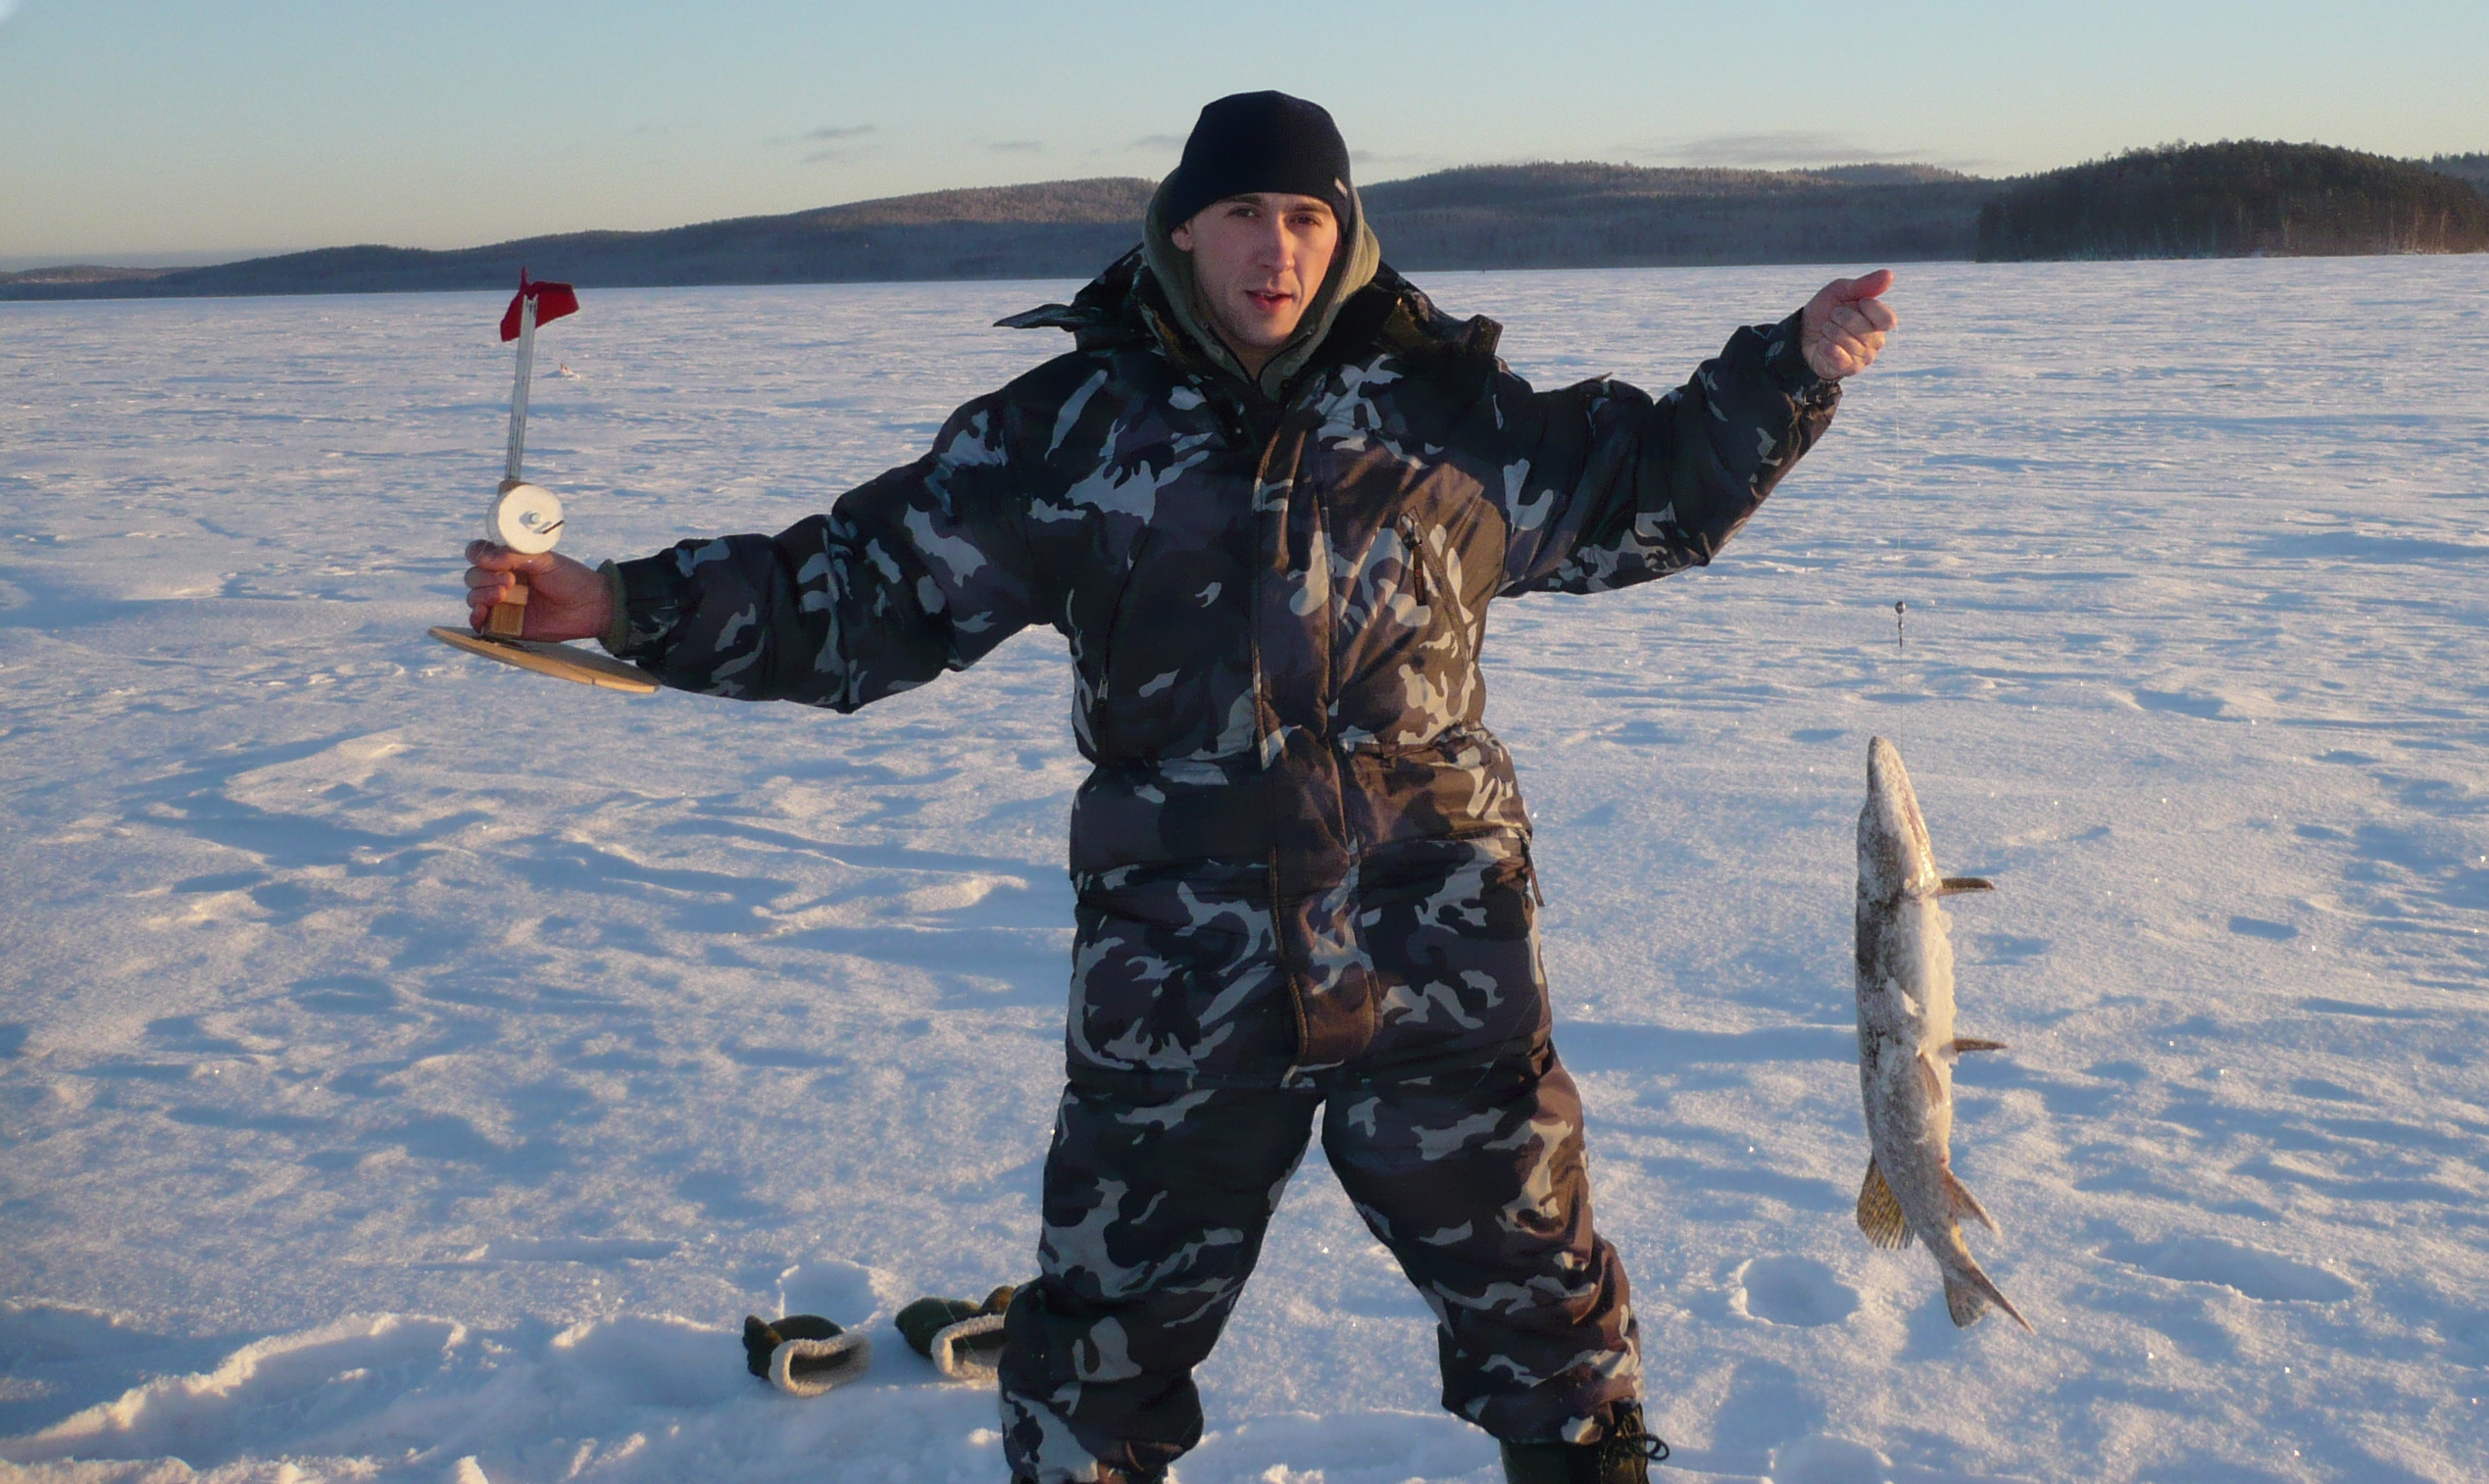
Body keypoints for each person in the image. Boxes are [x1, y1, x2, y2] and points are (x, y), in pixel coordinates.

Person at [466, 91, 1897, 1484]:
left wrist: (1793, 369)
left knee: (1550, 1319)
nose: (1276, 249)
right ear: (1182, 231)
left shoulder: (1452, 421)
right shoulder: (1075, 429)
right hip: (1180, 973)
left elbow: (1646, 484)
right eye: (1242, 215)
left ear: (1346, 236)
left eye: (1304, 217)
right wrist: (621, 599)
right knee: (1100, 1350)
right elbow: (862, 587)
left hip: (1436, 950)